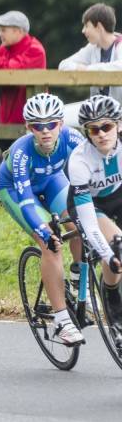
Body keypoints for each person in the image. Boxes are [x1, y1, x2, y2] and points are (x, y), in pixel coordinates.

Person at [0, 93, 85, 345]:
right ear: (28, 127)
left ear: (61, 124)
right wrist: (44, 232)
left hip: (50, 180)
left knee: (77, 224)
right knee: (50, 243)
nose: (45, 131)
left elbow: (89, 174)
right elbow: (26, 201)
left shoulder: (73, 138)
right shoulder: (21, 153)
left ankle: (79, 281)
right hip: (15, 189)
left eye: (51, 124)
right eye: (38, 126)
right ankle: (62, 321)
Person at [68, 95, 122, 323]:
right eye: (93, 130)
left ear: (118, 125)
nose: (101, 134)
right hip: (91, 204)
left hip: (118, 195)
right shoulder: (80, 160)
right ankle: (111, 297)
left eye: (106, 126)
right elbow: (89, 223)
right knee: (117, 245)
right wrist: (109, 256)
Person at [0, 10, 46, 153]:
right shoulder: (5, 47)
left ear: (18, 31)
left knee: (26, 168)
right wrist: (4, 62)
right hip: (6, 122)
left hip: (30, 124)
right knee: (6, 167)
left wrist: (0, 62)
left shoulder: (35, 49)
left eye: (3, 30)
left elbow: (10, 74)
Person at [58, 3, 122, 120]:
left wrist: (89, 70)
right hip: (97, 114)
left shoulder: (120, 45)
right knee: (60, 118)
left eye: (86, 26)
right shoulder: (92, 48)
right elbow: (63, 65)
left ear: (98, 27)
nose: (83, 31)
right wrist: (80, 69)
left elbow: (120, 67)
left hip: (119, 114)